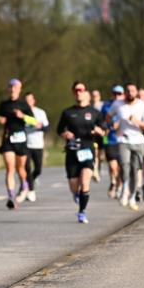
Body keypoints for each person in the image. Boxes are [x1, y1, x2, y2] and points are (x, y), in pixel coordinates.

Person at [57, 81, 106, 224]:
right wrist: (65, 134)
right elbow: (59, 130)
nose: (79, 92)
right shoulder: (67, 112)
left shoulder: (95, 113)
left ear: (86, 92)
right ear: (74, 92)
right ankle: (77, 195)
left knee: (85, 182)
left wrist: (99, 131)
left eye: (81, 90)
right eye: (76, 90)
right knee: (74, 185)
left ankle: (82, 212)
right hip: (72, 151)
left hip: (87, 150)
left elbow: (103, 130)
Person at [113, 82, 144, 210]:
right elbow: (109, 117)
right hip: (123, 140)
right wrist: (114, 126)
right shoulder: (118, 104)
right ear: (125, 92)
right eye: (128, 91)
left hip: (139, 141)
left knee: (135, 169)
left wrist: (137, 122)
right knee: (124, 166)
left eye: (133, 91)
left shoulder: (143, 105)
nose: (130, 93)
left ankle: (132, 197)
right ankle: (124, 190)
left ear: (136, 92)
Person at [0, 78, 35, 209]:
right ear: (8, 89)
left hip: (21, 139)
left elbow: (34, 121)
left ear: (19, 89)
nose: (13, 90)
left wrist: (22, 116)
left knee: (21, 169)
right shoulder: (4, 104)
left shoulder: (24, 105)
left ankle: (24, 183)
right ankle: (11, 196)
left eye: (15, 87)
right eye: (11, 87)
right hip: (8, 138)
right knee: (10, 168)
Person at [23, 91, 49, 202]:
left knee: (38, 169)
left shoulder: (40, 112)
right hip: (25, 144)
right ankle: (31, 191)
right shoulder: (22, 113)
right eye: (26, 101)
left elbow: (47, 128)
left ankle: (30, 181)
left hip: (38, 144)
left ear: (34, 101)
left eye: (30, 100)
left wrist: (40, 126)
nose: (28, 103)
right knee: (27, 168)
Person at [101, 85, 126, 199]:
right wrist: (108, 126)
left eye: (119, 94)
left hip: (123, 140)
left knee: (121, 167)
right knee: (112, 166)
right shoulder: (106, 106)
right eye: (115, 93)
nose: (117, 96)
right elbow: (101, 121)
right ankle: (113, 183)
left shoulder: (127, 106)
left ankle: (120, 187)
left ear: (123, 94)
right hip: (109, 139)